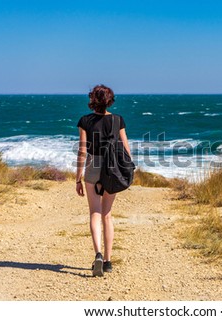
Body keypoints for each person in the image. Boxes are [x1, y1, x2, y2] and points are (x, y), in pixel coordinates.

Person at [75, 84, 131, 277]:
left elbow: (82, 151)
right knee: (107, 214)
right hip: (112, 167)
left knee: (94, 213)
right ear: (110, 100)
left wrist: (77, 178)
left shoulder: (85, 120)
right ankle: (107, 262)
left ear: (92, 100)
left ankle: (97, 254)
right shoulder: (118, 120)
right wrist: (128, 171)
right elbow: (126, 148)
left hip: (93, 166)